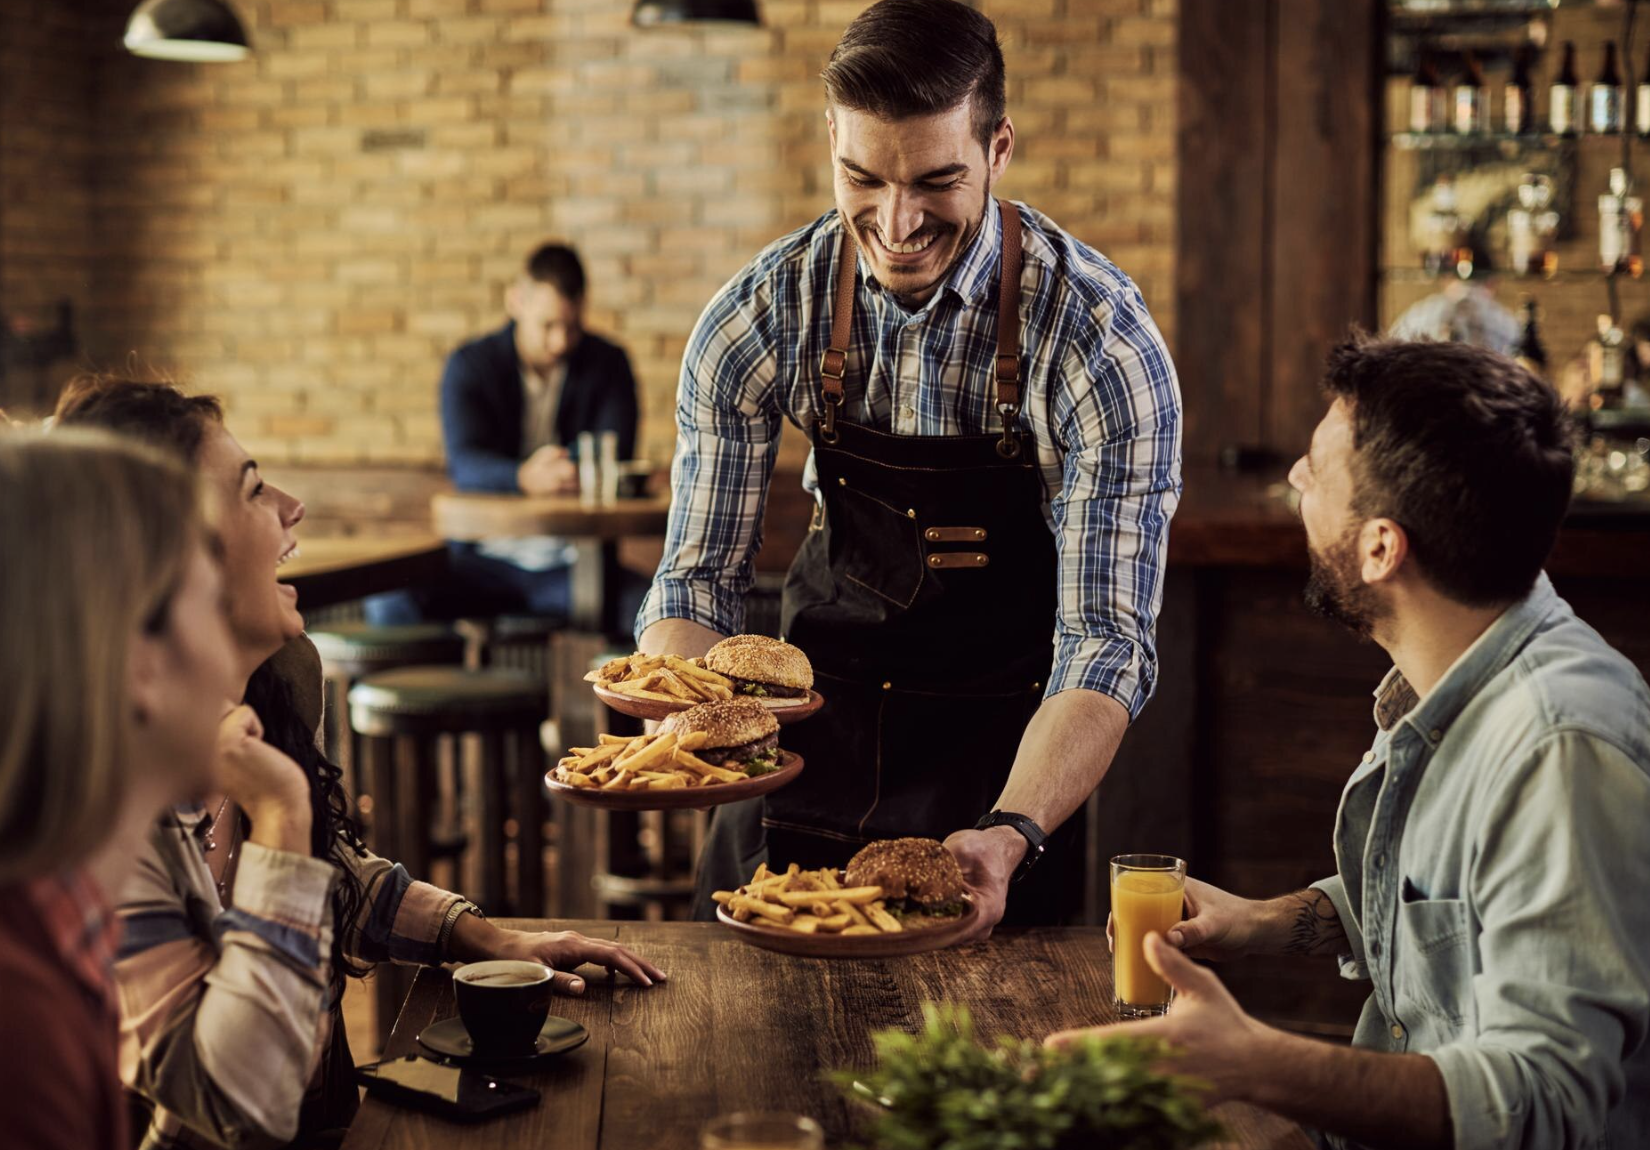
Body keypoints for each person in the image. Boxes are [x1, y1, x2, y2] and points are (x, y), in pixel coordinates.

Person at [636, 0, 1181, 932]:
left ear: (999, 149)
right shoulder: (762, 314)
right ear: (832, 144)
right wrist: (690, 733)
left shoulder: (1097, 340)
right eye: (863, 178)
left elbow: (1107, 642)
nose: (896, 222)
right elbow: (696, 583)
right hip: (804, 760)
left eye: (937, 181)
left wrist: (1013, 829)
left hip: (1003, 783)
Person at [1048, 336, 1650, 1150]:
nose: (1296, 479)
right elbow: (1449, 906)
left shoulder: (1559, 749)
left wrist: (1257, 1064)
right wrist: (1266, 920)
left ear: (1380, 547)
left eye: (1316, 470)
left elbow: (1543, 1104)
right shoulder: (1456, 675)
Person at [54, 377, 665, 1148]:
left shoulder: (278, 685)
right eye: (251, 489)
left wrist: (481, 937)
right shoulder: (96, 814)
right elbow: (233, 1109)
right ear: (171, 552)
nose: (290, 505)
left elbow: (329, 872)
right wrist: (280, 813)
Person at [0, 429, 238, 1150]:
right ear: (140, 663)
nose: (232, 660)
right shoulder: (20, 1023)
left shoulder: (61, 928)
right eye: (215, 606)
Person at [365, 242, 645, 627]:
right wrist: (523, 477)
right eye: (548, 325)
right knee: (388, 602)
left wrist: (566, 471)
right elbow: (465, 463)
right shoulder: (470, 365)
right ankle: (451, 687)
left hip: (576, 564)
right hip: (481, 561)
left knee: (655, 613)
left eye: (572, 326)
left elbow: (615, 455)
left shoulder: (609, 364)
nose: (560, 342)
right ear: (516, 302)